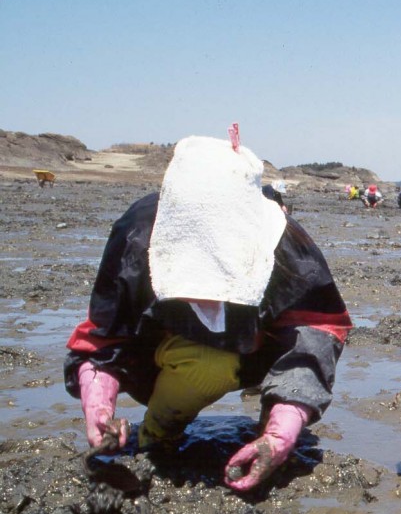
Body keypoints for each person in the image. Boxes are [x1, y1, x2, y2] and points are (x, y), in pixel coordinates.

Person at [64, 134, 352, 493]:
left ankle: (270, 421)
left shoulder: (285, 242)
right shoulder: (136, 235)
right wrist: (99, 409)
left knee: (276, 376)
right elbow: (102, 336)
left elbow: (317, 331)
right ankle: (156, 437)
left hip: (254, 350)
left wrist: (281, 433)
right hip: (159, 355)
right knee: (207, 365)